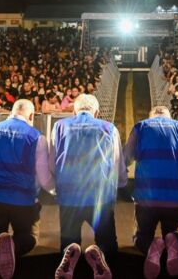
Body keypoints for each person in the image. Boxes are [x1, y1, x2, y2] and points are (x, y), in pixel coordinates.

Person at [0, 99, 54, 279]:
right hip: (22, 199)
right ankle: (14, 247)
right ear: (31, 115)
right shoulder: (36, 137)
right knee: (29, 236)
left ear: (12, 112)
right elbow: (43, 176)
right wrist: (54, 190)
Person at [124, 105, 178, 278]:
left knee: (141, 235)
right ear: (168, 116)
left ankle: (151, 245)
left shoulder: (141, 127)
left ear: (151, 115)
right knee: (175, 229)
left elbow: (125, 158)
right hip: (177, 199)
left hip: (147, 199)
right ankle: (173, 242)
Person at [51, 94, 126, 279]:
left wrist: (54, 187)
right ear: (97, 112)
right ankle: (102, 254)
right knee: (108, 240)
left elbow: (53, 160)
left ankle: (70, 258)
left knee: (69, 240)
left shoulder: (60, 126)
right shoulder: (109, 128)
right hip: (100, 194)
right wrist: (120, 184)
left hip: (69, 193)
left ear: (74, 110)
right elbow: (117, 161)